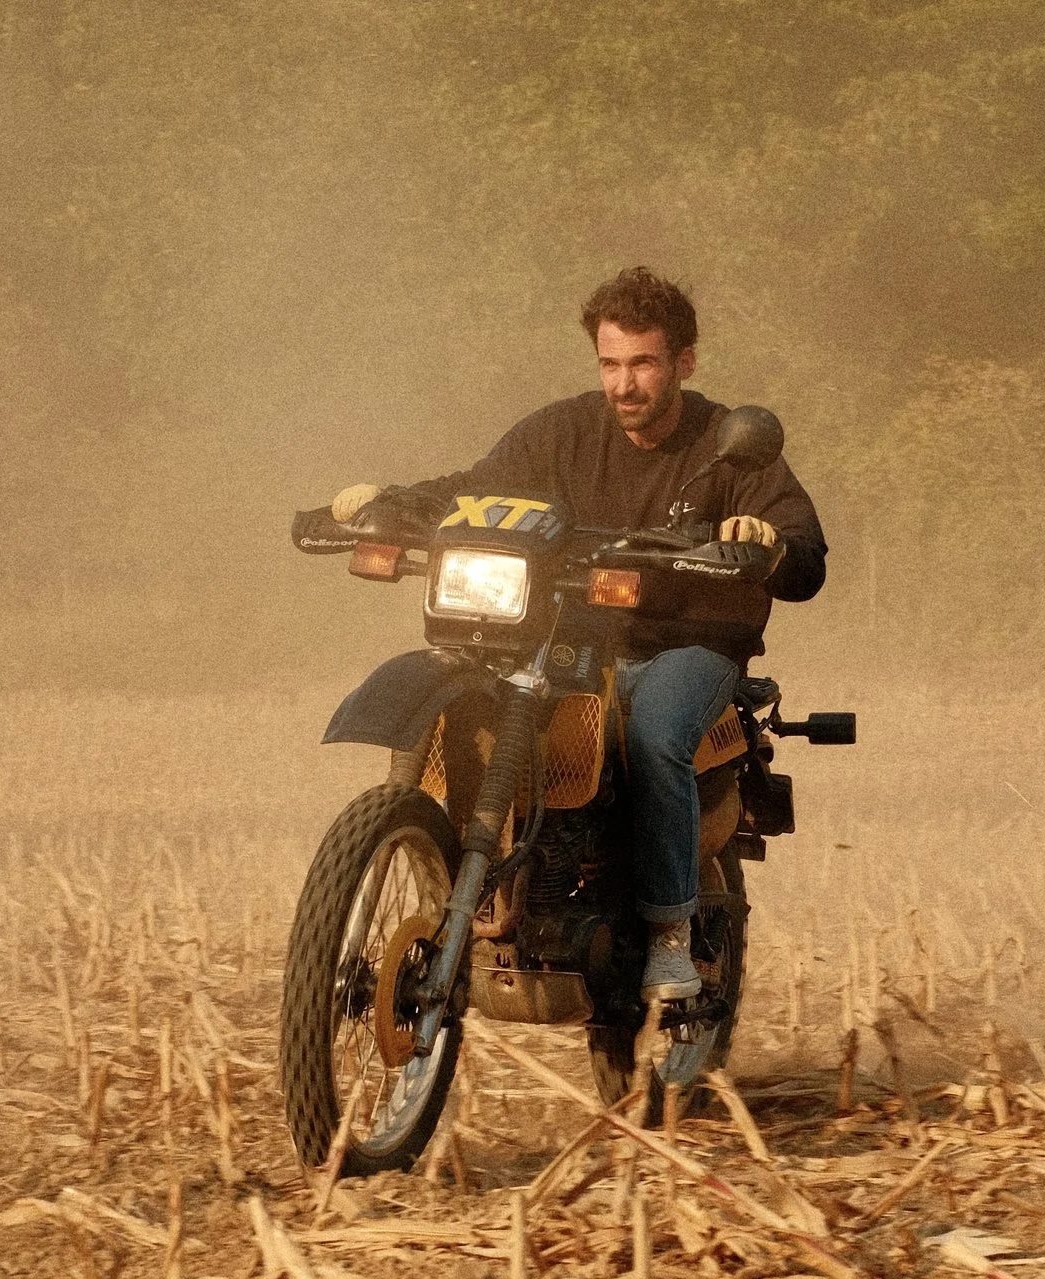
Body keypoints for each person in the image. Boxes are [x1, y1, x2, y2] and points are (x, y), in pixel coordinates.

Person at [327, 267, 827, 1001]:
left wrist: (768, 542)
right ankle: (495, 878)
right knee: (487, 697)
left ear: (684, 361)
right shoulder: (561, 432)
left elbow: (805, 553)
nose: (624, 384)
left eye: (644, 363)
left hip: (689, 642)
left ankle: (669, 934)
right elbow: (478, 490)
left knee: (655, 730)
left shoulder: (729, 445)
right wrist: (391, 502)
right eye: (610, 363)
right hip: (572, 637)